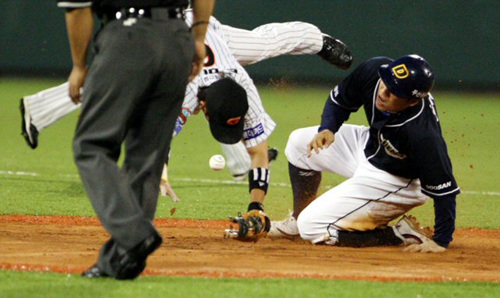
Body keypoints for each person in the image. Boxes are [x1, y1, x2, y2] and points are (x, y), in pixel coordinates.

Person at [20, 15, 353, 202]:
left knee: (264, 45)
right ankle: (37, 110)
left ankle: (317, 39)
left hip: (207, 35)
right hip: (157, 31)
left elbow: (255, 144)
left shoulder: (240, 84)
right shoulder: (185, 92)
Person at [57, 0, 214, 280]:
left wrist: (79, 65)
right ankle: (122, 260)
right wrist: (198, 37)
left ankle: (135, 234)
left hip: (128, 37)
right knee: (148, 155)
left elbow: (78, 8)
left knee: (91, 145)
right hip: (177, 37)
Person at [271, 55, 460, 253]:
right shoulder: (374, 70)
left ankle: (398, 235)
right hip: (372, 144)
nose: (383, 91)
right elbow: (340, 99)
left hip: (396, 179)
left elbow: (444, 190)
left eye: (393, 91)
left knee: (311, 227)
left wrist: (441, 240)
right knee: (298, 142)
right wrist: (328, 128)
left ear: (412, 102)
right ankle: (296, 219)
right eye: (385, 81)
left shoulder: (422, 135)